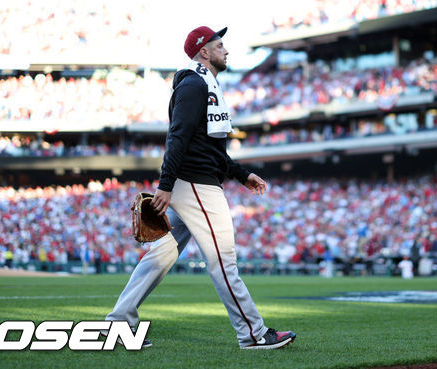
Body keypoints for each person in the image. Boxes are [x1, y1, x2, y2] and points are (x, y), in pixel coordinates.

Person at [105, 26, 296, 350]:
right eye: (220, 45)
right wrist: (165, 185)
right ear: (203, 51)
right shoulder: (195, 84)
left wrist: (240, 173)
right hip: (195, 185)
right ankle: (253, 334)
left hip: (192, 181)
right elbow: (177, 135)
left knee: (162, 252)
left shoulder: (206, 83)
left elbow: (211, 149)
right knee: (223, 260)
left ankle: (119, 324)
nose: (227, 50)